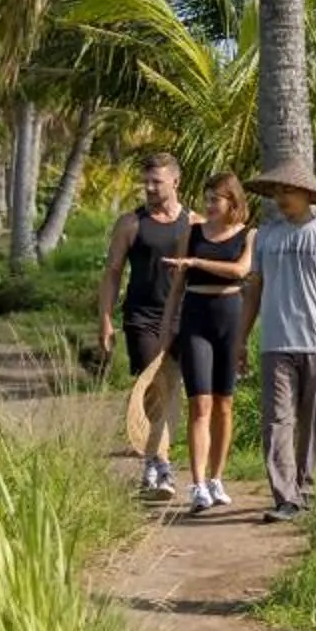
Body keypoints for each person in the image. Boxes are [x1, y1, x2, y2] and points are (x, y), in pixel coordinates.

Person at [242, 160, 316, 521]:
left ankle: (305, 488)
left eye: (287, 190)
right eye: (276, 191)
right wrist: (240, 340)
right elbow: (253, 291)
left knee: (313, 421)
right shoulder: (266, 237)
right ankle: (285, 497)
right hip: (275, 343)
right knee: (277, 421)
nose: (281, 197)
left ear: (308, 195)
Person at [160, 173, 255, 513]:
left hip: (230, 316)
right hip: (195, 315)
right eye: (207, 198)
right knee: (200, 403)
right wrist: (167, 326)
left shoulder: (248, 235)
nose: (209, 205)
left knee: (224, 404)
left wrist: (197, 262)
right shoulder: (193, 231)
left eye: (216, 198)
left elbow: (241, 271)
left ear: (233, 201)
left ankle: (216, 478)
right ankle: (198, 484)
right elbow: (177, 285)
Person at [97, 152, 189, 494]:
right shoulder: (130, 223)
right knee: (154, 386)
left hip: (182, 316)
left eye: (157, 182)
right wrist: (105, 321)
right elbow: (112, 274)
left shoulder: (192, 223)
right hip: (142, 318)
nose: (149, 188)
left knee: (173, 389)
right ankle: (160, 465)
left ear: (175, 182)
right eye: (146, 181)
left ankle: (155, 458)